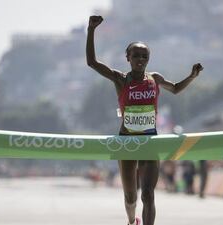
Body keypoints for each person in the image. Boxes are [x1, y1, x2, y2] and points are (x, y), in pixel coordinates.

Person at [86, 15, 203, 225]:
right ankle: (132, 221)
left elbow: (175, 89)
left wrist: (192, 76)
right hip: (126, 142)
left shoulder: (154, 79)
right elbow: (92, 62)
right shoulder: (120, 79)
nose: (141, 59)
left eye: (145, 56)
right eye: (136, 55)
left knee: (148, 195)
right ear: (128, 58)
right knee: (131, 197)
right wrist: (91, 29)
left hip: (150, 141)